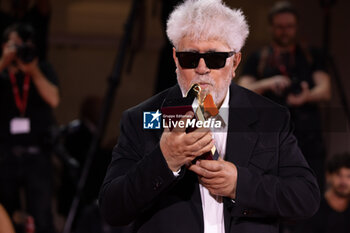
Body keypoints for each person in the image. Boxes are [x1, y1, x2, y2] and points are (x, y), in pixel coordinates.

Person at [99, 1, 320, 233]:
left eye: (215, 59)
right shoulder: (142, 119)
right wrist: (165, 160)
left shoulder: (270, 118)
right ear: (175, 59)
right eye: (189, 58)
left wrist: (239, 184)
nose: (202, 68)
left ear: (235, 62)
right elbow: (112, 209)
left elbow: (306, 197)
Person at [238, 1, 331, 191]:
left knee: (309, 191)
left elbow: (325, 90)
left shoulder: (310, 56)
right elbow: (242, 89)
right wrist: (269, 83)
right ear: (271, 27)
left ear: (296, 27)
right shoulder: (259, 58)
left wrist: (306, 97)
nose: (285, 32)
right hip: (267, 139)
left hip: (307, 138)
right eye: (280, 27)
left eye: (289, 27)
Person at [0, 23, 59, 233]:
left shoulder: (41, 68)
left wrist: (33, 71)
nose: (20, 50)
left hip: (37, 156)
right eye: (15, 45)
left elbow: (53, 99)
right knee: (5, 213)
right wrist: (3, 63)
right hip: (5, 156)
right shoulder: (2, 73)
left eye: (24, 45)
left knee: (42, 217)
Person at [295, 152, 350, 233]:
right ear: (328, 176)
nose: (343, 181)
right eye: (339, 174)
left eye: (349, 176)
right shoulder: (313, 208)